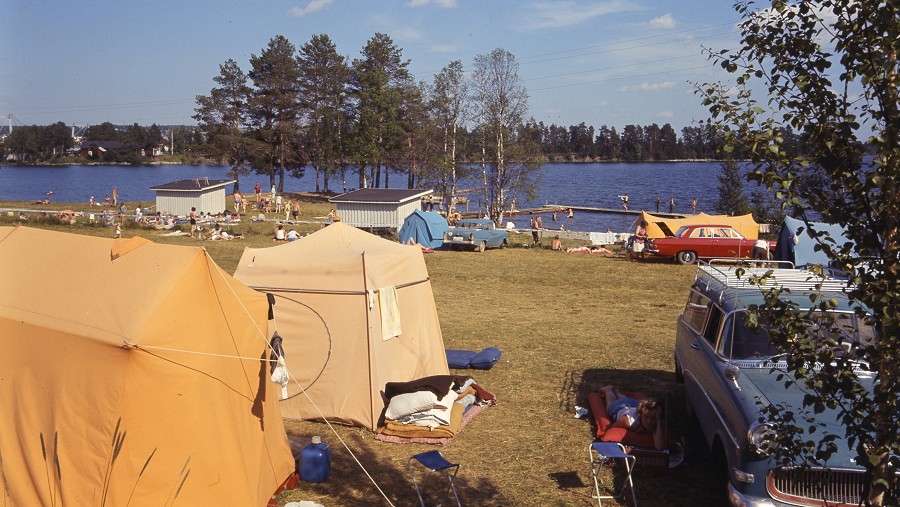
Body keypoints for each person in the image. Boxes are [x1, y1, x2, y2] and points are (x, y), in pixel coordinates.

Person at [600, 385, 666, 450]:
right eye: (646, 417)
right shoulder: (628, 420)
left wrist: (659, 421)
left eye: (653, 418)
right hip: (620, 407)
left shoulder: (656, 421)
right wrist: (634, 430)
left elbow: (659, 447)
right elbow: (614, 427)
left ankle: (617, 393)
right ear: (640, 414)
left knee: (626, 400)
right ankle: (609, 389)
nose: (649, 421)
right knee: (610, 405)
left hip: (633, 404)